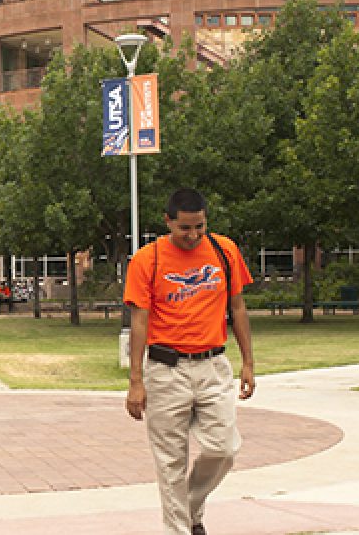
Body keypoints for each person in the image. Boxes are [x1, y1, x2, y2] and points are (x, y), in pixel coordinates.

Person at [124, 188, 255, 535]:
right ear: (167, 221)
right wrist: (135, 380)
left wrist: (249, 363)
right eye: (185, 228)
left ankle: (191, 507)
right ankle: (180, 529)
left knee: (224, 449)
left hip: (213, 366)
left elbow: (238, 308)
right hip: (166, 370)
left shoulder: (224, 251)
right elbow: (139, 321)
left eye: (200, 226)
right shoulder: (147, 260)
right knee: (170, 463)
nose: (193, 235)